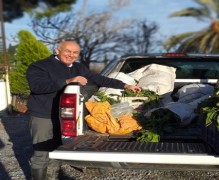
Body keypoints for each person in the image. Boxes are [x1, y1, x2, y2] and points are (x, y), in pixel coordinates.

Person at [26, 40, 141, 180]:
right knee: (41, 153)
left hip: (67, 116)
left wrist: (125, 86)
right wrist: (68, 81)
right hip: (44, 116)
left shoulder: (78, 67)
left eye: (75, 52)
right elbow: (37, 87)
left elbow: (99, 79)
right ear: (57, 51)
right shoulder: (40, 66)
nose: (71, 55)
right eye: (67, 51)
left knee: (57, 151)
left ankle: (51, 177)